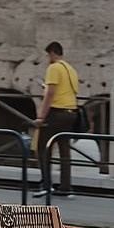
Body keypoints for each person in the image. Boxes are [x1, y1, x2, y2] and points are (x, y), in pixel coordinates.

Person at [34, 41, 81, 197]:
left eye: (48, 55)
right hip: (71, 112)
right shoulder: (71, 69)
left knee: (42, 148)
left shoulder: (53, 68)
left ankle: (46, 184)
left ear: (53, 53)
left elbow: (51, 93)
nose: (48, 58)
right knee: (64, 150)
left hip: (56, 112)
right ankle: (66, 187)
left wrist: (41, 116)